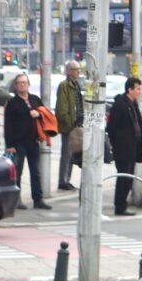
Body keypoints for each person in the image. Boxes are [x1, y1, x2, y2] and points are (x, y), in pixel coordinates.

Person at [2, 73, 52, 211]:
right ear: (16, 86)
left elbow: (45, 114)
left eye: (24, 82)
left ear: (28, 84)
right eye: (19, 83)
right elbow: (8, 125)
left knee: (35, 171)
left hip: (33, 141)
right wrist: (9, 145)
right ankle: (16, 200)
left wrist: (38, 114)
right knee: (17, 172)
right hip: (18, 143)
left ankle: (38, 199)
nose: (22, 84)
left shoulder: (35, 99)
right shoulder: (12, 103)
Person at [105, 77, 142, 217]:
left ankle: (123, 204)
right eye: (138, 89)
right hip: (123, 147)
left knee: (129, 177)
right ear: (130, 89)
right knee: (123, 177)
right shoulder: (120, 104)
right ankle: (120, 206)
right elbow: (111, 127)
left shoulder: (133, 104)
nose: (140, 92)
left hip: (133, 146)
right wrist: (118, 142)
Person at [53, 60, 84, 191]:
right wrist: (69, 123)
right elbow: (62, 108)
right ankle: (63, 180)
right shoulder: (64, 86)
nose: (79, 72)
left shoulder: (76, 85)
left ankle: (67, 179)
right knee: (66, 154)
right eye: (77, 69)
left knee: (72, 154)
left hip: (77, 125)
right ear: (69, 71)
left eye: (79, 69)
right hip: (69, 126)